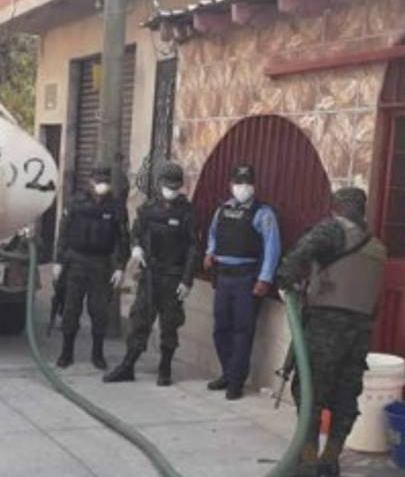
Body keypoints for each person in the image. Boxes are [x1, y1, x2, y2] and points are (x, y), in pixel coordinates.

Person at [276, 188, 385, 477]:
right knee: (344, 394)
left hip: (326, 325)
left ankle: (307, 464)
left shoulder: (332, 229)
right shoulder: (377, 246)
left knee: (308, 389)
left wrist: (284, 280)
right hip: (360, 330)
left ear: (337, 208)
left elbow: (299, 253)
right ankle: (330, 460)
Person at [103, 162, 200, 386]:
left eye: (176, 187)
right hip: (150, 275)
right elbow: (137, 231)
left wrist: (187, 281)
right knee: (139, 321)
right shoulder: (148, 209)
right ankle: (128, 365)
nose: (172, 191)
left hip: (173, 277)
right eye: (168, 186)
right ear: (159, 184)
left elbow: (194, 248)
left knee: (170, 325)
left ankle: (165, 369)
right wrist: (137, 247)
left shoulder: (186, 213)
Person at [203, 164, 281, 400]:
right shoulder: (222, 210)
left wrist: (265, 278)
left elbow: (272, 248)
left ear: (253, 186)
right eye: (238, 183)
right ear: (231, 184)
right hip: (223, 276)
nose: (242, 187)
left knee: (242, 331)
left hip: (247, 278)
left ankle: (236, 381)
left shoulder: (263, 213)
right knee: (220, 329)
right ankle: (227, 373)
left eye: (246, 183)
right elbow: (213, 234)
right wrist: (209, 252)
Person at [53, 165, 130, 370]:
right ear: (91, 182)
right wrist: (58, 261)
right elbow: (64, 233)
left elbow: (123, 238)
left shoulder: (116, 206)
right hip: (76, 262)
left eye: (105, 181)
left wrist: (120, 266)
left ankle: (98, 354)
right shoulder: (76, 203)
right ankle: (66, 352)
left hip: (101, 263)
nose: (101, 185)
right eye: (98, 181)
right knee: (71, 310)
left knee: (99, 312)